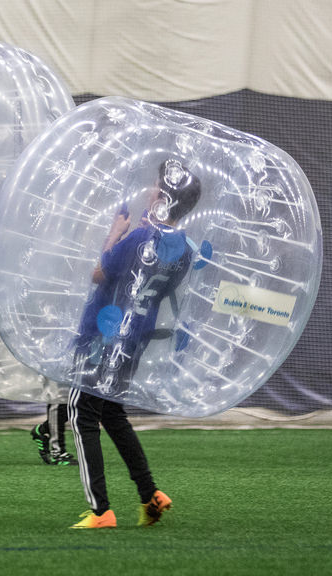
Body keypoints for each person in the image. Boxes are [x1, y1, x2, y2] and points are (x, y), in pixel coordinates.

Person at [68, 158, 201, 529]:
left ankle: (101, 512)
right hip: (135, 340)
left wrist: (115, 232)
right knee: (111, 412)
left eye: (156, 187)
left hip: (102, 334)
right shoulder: (185, 249)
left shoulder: (138, 238)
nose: (149, 190)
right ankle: (150, 495)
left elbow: (99, 273)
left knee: (81, 412)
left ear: (163, 199)